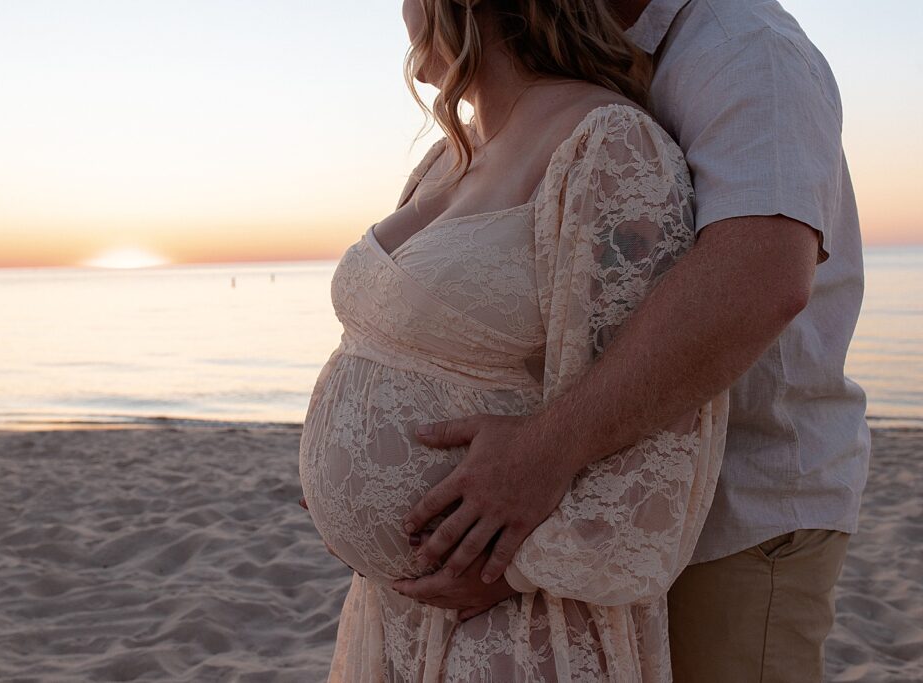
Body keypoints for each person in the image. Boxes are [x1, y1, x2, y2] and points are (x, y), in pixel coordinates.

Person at [397, 0, 870, 680]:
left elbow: (760, 277)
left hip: (743, 513)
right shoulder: (594, 56)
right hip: (619, 500)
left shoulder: (746, 49)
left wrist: (544, 452)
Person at [297, 0, 729, 679]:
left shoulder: (606, 143)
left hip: (513, 622)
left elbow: (668, 431)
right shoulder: (450, 156)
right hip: (398, 613)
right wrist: (338, 472)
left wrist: (518, 567)